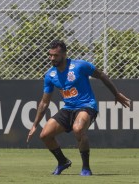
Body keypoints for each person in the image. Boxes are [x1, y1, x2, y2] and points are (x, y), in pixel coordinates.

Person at [26, 40, 130, 176]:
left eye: (55, 55)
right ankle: (63, 162)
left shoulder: (80, 66)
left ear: (64, 54)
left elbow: (101, 75)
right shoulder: (50, 75)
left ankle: (86, 168)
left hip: (87, 106)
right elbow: (44, 102)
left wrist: (116, 94)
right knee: (45, 135)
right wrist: (35, 124)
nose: (52, 58)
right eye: (50, 55)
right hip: (68, 108)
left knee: (78, 129)